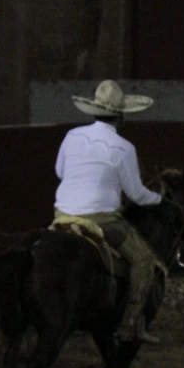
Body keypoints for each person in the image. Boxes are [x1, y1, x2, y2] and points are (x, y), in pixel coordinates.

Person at [54, 79, 164, 343]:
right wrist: (158, 198)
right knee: (144, 260)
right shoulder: (124, 149)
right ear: (121, 115)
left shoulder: (72, 136)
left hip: (62, 214)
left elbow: (60, 172)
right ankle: (129, 324)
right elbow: (136, 195)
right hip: (102, 221)